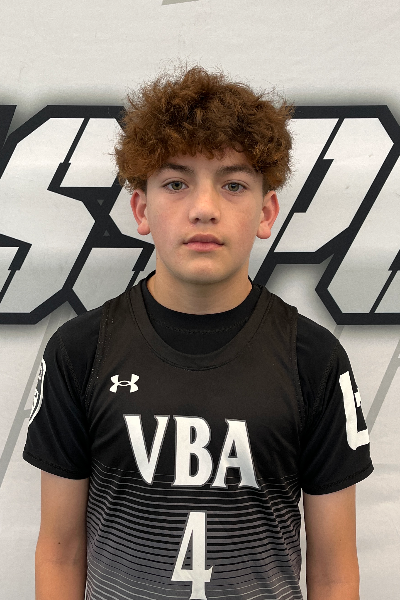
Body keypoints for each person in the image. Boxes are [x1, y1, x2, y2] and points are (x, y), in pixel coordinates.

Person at [23, 62, 373, 600]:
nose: (204, 208)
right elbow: (60, 551)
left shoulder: (313, 358)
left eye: (233, 184)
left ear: (266, 212)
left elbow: (334, 569)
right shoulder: (80, 351)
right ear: (141, 208)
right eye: (176, 183)